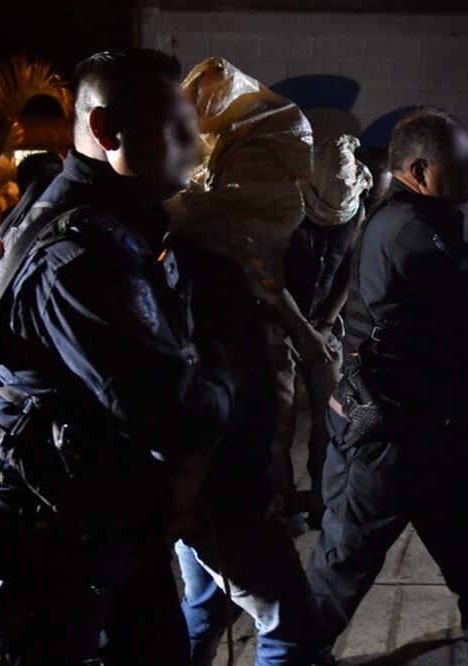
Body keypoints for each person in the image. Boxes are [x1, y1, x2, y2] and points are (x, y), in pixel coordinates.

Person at [0, 49, 237, 665]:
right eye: (179, 128)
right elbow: (176, 412)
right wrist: (221, 364)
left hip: (94, 529)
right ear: (108, 131)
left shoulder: (100, 219)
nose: (195, 145)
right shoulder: (86, 253)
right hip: (65, 551)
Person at [306, 109, 468, 666]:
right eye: (462, 165)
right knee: (343, 566)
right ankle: (294, 654)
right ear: (420, 169)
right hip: (387, 438)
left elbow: (463, 317)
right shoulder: (408, 230)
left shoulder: (428, 222)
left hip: (434, 429)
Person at [171, 241, 323, 665]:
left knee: (204, 609)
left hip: (212, 500)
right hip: (225, 501)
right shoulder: (211, 280)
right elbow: (205, 421)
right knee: (289, 627)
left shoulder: (189, 267)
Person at [268, 202, 364, 532]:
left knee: (334, 420)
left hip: (323, 326)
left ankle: (325, 504)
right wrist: (302, 330)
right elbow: (265, 273)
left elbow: (350, 267)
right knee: (279, 424)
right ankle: (283, 508)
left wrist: (323, 325)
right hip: (275, 325)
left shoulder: (352, 203)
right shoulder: (278, 198)